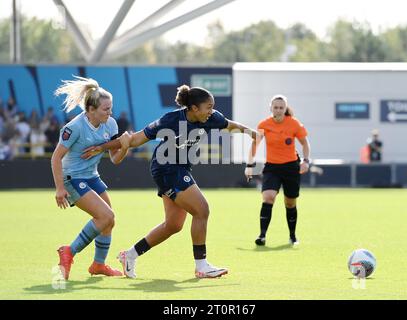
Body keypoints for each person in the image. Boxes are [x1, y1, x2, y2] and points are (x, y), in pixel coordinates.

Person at [82, 85, 259, 279]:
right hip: (166, 169)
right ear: (193, 108)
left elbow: (228, 124)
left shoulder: (211, 117)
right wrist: (101, 147)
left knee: (174, 225)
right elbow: (134, 140)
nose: (212, 111)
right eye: (208, 107)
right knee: (202, 210)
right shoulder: (171, 120)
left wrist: (250, 132)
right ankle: (201, 266)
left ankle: (129, 255)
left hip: (180, 169)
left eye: (212, 107)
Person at [51, 76, 131, 280]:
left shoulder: (110, 124)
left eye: (110, 108)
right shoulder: (75, 127)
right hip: (73, 178)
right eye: (106, 109)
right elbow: (56, 157)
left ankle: (98, 265)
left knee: (109, 221)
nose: (110, 113)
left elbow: (115, 159)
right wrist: (60, 188)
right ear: (91, 110)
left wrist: (124, 146)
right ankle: (69, 251)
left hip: (92, 176)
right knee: (105, 216)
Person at [245, 94, 311, 246]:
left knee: (290, 203)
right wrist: (249, 165)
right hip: (272, 167)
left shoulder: (294, 124)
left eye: (281, 107)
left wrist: (306, 161)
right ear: (271, 108)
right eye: (276, 107)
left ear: (285, 108)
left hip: (291, 167)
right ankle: (262, 236)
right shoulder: (264, 124)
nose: (279, 110)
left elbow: (305, 143)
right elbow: (255, 145)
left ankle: (292, 236)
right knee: (268, 197)